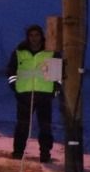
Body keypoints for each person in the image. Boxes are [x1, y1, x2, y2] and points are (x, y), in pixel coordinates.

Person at [7, 24, 60, 163]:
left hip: (44, 95)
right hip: (24, 95)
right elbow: (11, 72)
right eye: (31, 35)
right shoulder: (19, 52)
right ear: (27, 37)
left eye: (36, 35)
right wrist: (15, 87)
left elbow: (57, 76)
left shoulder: (50, 52)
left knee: (45, 126)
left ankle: (45, 153)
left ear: (41, 36)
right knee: (22, 125)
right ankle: (18, 152)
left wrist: (54, 92)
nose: (34, 38)